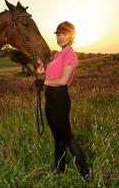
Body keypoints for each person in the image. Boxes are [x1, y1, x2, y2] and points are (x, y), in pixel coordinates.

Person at [35, 21, 90, 180]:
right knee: (57, 137)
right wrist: (41, 71)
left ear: (71, 36)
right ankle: (60, 170)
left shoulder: (70, 55)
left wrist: (43, 82)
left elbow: (63, 80)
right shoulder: (56, 55)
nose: (60, 37)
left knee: (67, 137)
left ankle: (85, 174)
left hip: (60, 99)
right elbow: (49, 75)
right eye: (58, 34)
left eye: (64, 34)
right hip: (50, 98)